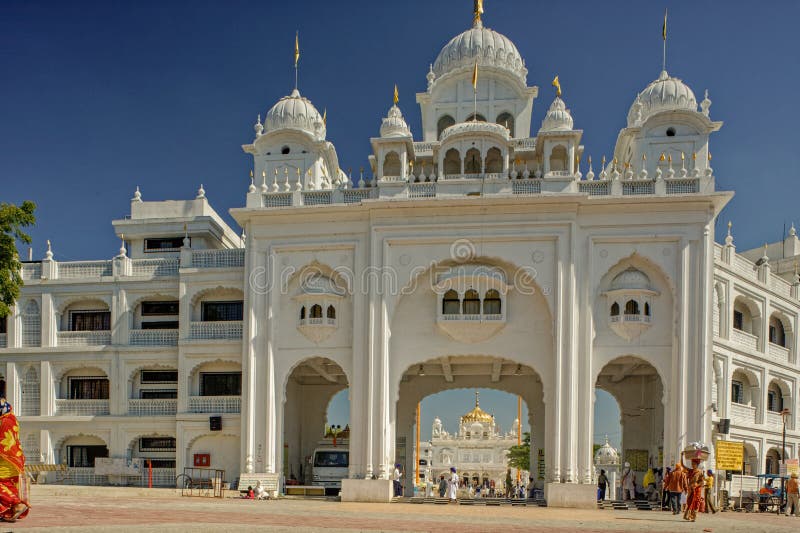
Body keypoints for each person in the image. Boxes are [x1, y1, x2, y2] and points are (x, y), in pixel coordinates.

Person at [0, 398, 29, 523]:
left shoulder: (4, 421)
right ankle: (9, 512)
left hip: (5, 458)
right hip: (14, 458)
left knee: (2, 484)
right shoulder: (11, 418)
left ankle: (17, 504)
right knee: (8, 486)